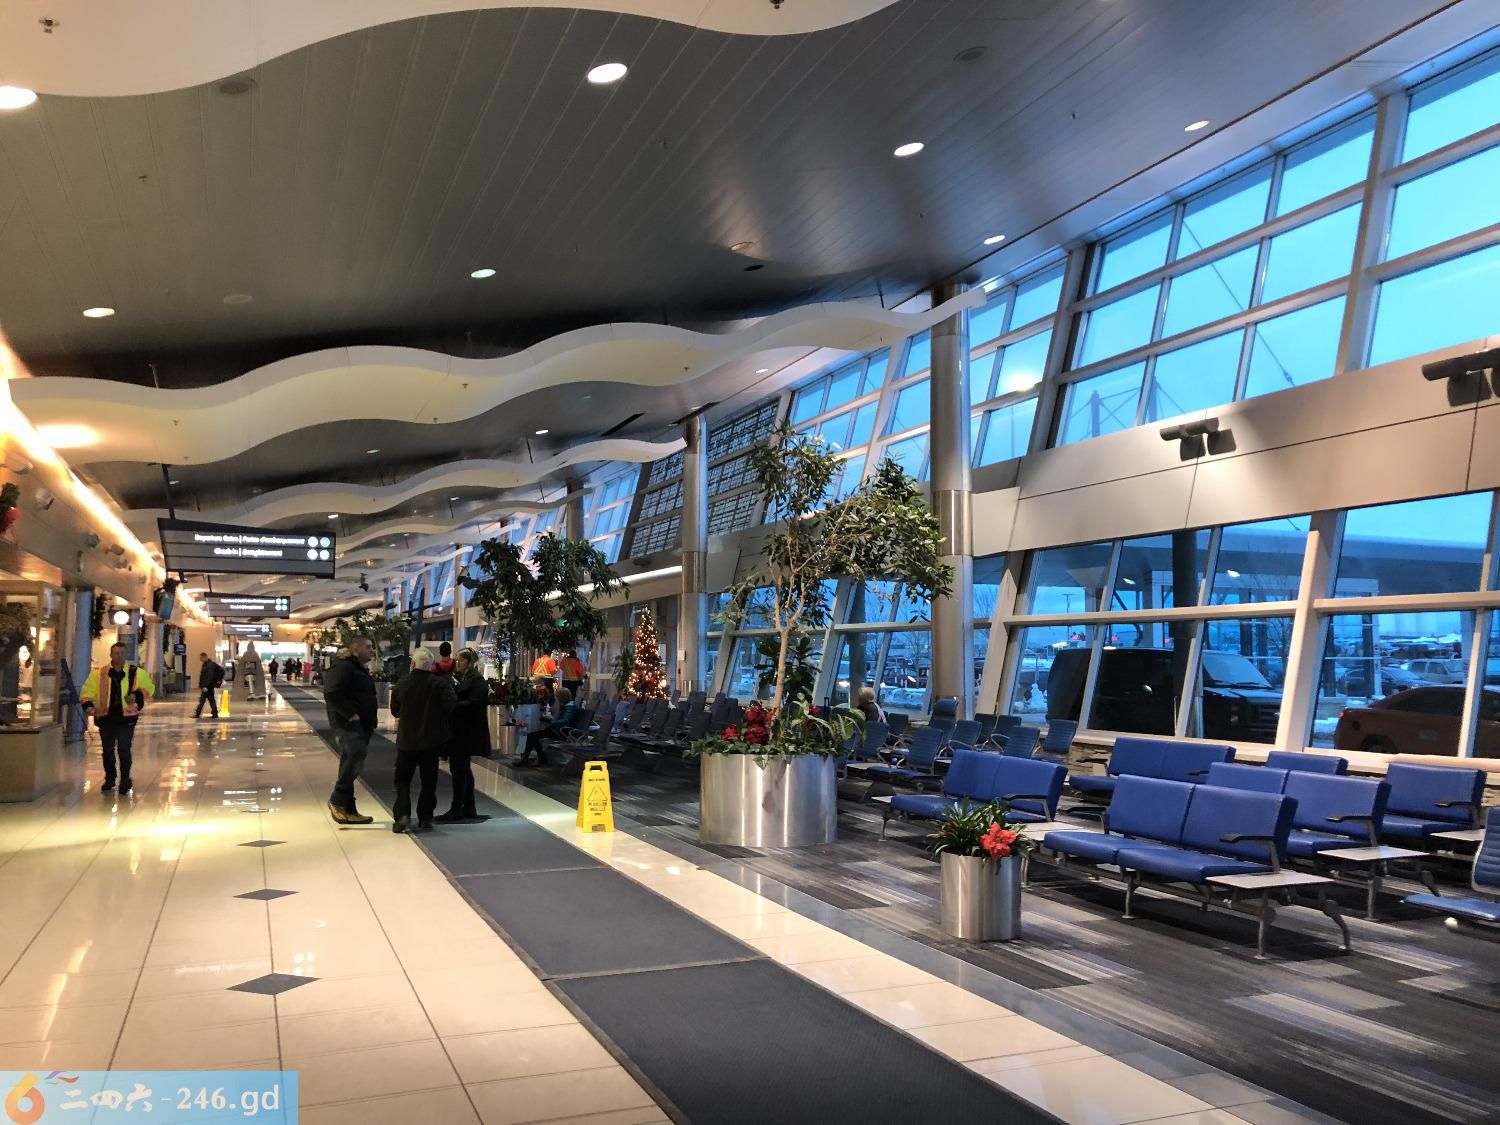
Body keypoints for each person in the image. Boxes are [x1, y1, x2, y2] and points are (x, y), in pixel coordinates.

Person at [390, 647, 456, 833]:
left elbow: (395, 711)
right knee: (429, 781)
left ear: (412, 664)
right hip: (431, 741)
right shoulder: (439, 684)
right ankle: (425, 816)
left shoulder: (402, 684)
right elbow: (451, 706)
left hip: (407, 740)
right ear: (431, 665)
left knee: (402, 780)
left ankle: (402, 814)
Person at [79, 642, 156, 795]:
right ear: (111, 655)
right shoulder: (99, 674)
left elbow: (149, 688)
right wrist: (89, 707)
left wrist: (136, 695)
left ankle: (125, 779)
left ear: (126, 654)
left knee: (124, 749)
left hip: (126, 719)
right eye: (116, 653)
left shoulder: (136, 673)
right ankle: (110, 778)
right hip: (106, 718)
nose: (119, 656)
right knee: (107, 750)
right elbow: (86, 693)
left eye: (122, 653)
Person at [324, 635, 378, 825]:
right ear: (356, 649)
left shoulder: (357, 668)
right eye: (368, 647)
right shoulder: (344, 667)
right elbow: (331, 692)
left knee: (350, 758)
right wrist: (349, 714)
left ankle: (348, 809)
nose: (372, 650)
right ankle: (337, 799)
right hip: (347, 723)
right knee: (357, 753)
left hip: (361, 723)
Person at [436, 647, 490, 822]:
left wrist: (453, 704)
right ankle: (468, 806)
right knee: (462, 769)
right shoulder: (464, 678)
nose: (457, 662)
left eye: (460, 659)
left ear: (469, 661)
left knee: (460, 769)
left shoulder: (476, 680)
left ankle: (458, 807)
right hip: (461, 730)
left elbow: (474, 704)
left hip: (466, 732)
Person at [517, 686, 577, 768]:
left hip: (561, 733)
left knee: (533, 736)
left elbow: (565, 721)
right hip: (559, 730)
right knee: (532, 735)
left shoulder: (570, 707)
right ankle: (529, 757)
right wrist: (547, 720)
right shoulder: (569, 706)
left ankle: (537, 758)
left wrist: (551, 722)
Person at [194, 651, 224, 718]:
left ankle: (198, 714)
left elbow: (209, 677)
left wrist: (205, 686)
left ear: (204, 657)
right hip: (209, 686)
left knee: (202, 700)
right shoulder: (207, 664)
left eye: (201, 658)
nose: (200, 659)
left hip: (208, 687)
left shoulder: (209, 666)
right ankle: (214, 713)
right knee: (211, 700)